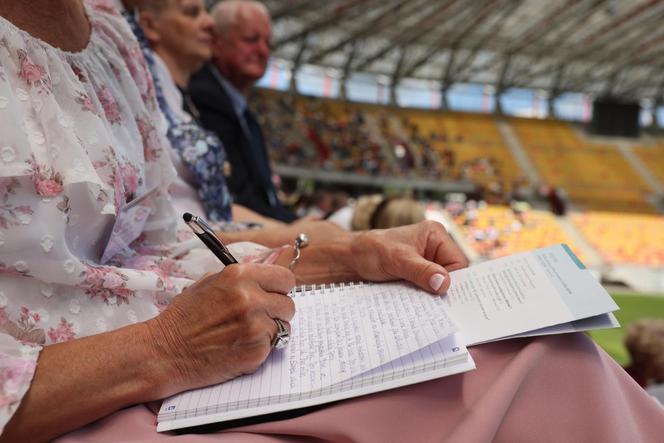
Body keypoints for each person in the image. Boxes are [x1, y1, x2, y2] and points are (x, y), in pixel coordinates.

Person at [1, 2, 663, 442]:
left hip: (184, 360)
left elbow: (158, 241)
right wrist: (163, 349)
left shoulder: (112, 39)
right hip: (89, 394)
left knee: (549, 353)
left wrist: (342, 255)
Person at [189, 0, 297, 222]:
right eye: (251, 39)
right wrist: (294, 226)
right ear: (217, 42)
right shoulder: (206, 97)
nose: (263, 51)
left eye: (268, 42)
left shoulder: (242, 111)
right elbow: (238, 197)